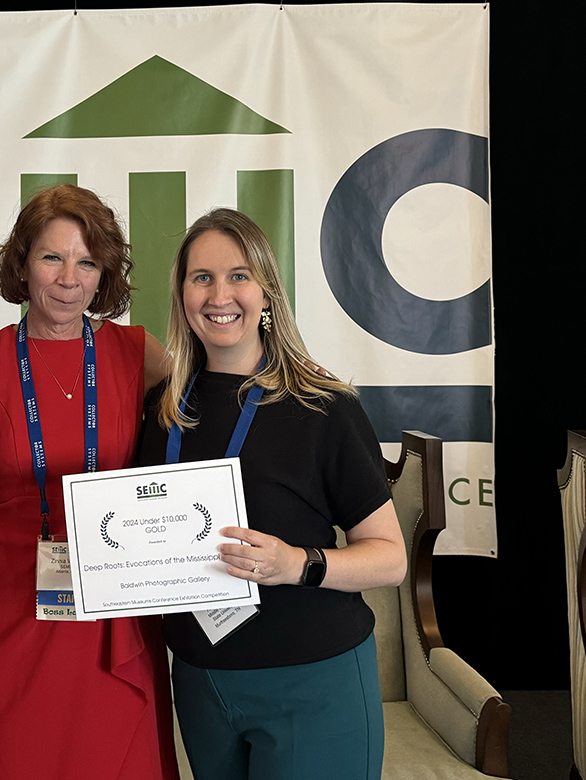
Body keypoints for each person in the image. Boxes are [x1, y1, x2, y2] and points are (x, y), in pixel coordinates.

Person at [138, 207, 407, 780]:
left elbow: (390, 557)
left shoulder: (324, 406)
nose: (220, 294)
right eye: (201, 277)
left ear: (267, 293)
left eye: (239, 275)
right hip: (199, 677)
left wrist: (295, 564)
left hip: (312, 676)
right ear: (182, 293)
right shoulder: (163, 408)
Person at [0, 184, 180, 780]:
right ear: (22, 263)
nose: (69, 278)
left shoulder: (138, 352)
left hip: (116, 601)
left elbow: (210, 410)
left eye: (87, 261)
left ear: (105, 275)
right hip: (11, 602)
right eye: (52, 257)